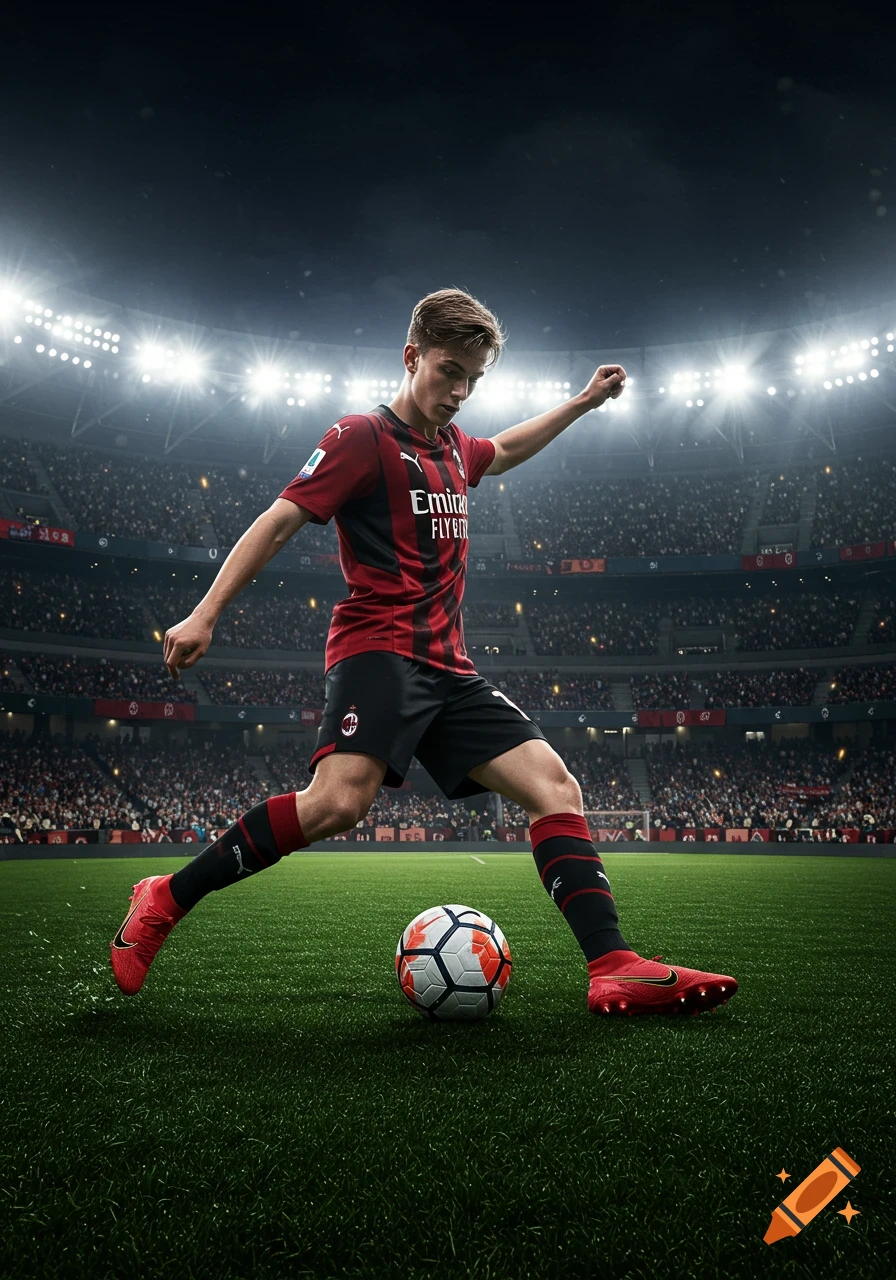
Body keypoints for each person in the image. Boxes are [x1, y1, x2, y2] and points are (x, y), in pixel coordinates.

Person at [111, 287, 737, 1016]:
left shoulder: (452, 449)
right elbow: (281, 518)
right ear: (411, 358)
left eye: (474, 380)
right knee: (338, 805)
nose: (461, 392)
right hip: (379, 652)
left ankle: (613, 965)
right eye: (449, 372)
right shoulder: (359, 438)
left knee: (555, 788)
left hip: (450, 668)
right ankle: (163, 897)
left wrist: (582, 403)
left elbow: (502, 449)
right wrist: (205, 612)